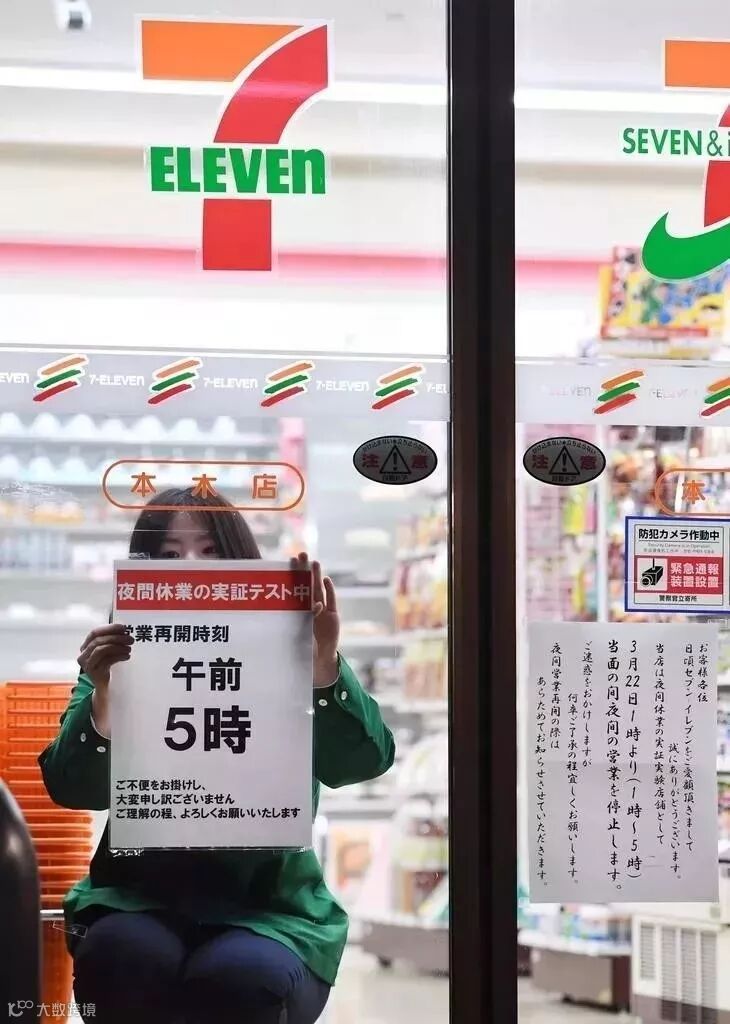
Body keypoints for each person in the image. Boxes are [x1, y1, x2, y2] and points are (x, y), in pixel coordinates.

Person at [39, 487, 395, 1024]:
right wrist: (105, 695)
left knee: (240, 977)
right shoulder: (118, 657)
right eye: (168, 554)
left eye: (210, 550)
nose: (190, 566)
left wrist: (323, 665)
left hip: (271, 909)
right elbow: (71, 787)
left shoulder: (291, 653)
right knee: (122, 956)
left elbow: (362, 763)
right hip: (139, 896)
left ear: (241, 559)